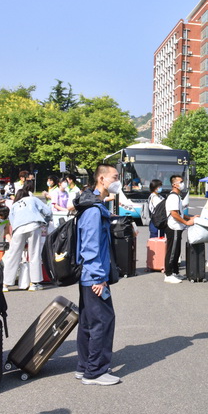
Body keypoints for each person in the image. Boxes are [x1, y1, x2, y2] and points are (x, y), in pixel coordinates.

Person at [74, 164, 121, 386]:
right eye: (115, 177)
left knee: (88, 321)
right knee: (102, 322)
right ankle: (94, 372)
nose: (118, 181)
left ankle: (84, 366)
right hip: (94, 276)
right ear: (102, 179)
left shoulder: (93, 205)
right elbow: (90, 246)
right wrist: (99, 277)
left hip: (89, 275)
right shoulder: (93, 210)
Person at [3, 186, 52, 292]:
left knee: (13, 255)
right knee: (34, 254)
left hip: (18, 229)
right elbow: (48, 211)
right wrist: (45, 221)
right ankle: (34, 283)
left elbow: (12, 222)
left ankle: (5, 283)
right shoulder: (33, 199)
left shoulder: (14, 205)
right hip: (33, 225)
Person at [163, 175, 197, 283]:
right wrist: (186, 222)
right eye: (180, 182)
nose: (183, 183)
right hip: (173, 227)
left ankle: (175, 272)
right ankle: (168, 274)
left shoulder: (177, 196)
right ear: (174, 184)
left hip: (177, 227)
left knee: (177, 251)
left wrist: (190, 217)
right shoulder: (173, 197)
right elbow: (174, 214)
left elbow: (180, 213)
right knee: (172, 251)